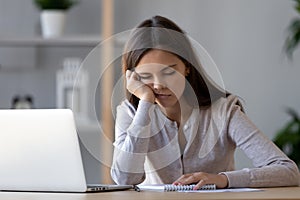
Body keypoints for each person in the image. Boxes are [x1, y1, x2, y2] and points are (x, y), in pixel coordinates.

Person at [111, 15, 300, 189]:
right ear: (132, 78)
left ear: (187, 67)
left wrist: (224, 179)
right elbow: (125, 179)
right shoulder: (130, 113)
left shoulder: (223, 111)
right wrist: (145, 104)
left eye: (169, 72)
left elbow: (288, 171)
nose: (159, 85)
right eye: (145, 76)